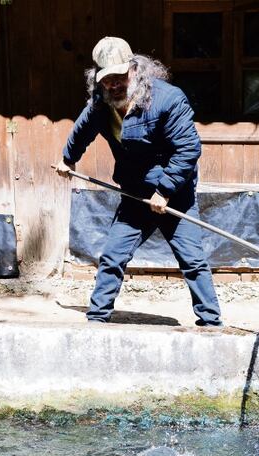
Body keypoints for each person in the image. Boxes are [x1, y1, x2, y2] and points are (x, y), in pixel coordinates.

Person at [54, 36, 222, 327]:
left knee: (192, 260)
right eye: (107, 80)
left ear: (134, 69)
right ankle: (96, 320)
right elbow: (82, 129)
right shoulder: (101, 104)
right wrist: (68, 160)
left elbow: (189, 148)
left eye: (120, 76)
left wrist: (165, 190)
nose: (114, 84)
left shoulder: (168, 99)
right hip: (134, 194)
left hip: (175, 193)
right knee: (112, 256)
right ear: (98, 79)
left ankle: (211, 323)